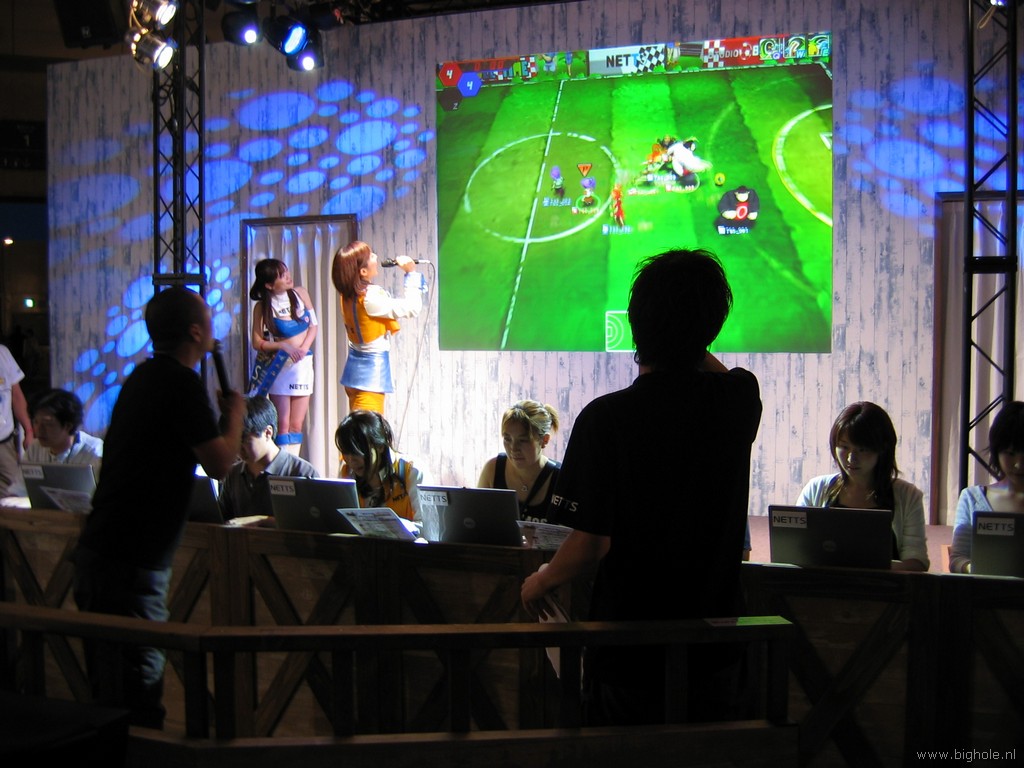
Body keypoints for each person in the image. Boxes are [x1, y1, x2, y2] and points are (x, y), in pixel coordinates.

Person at [521, 248, 762, 726]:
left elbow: (590, 543)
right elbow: (720, 371)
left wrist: (540, 581)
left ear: (635, 326)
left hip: (628, 653)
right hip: (715, 648)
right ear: (710, 330)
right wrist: (690, 338)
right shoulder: (738, 399)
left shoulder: (605, 418)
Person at [72, 286, 244, 729]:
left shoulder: (142, 377)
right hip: (133, 561)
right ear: (195, 332)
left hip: (103, 550)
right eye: (208, 319)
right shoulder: (181, 384)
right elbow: (220, 463)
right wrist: (235, 416)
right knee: (139, 690)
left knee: (109, 689)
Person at [796, 401, 929, 571]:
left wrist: (865, 567)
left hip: (885, 586)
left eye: (862, 449)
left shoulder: (908, 495)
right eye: (844, 447)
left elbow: (917, 562)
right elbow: (796, 549)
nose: (851, 458)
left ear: (883, 448)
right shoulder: (816, 488)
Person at [331, 240, 427, 415]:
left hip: (354, 374)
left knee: (361, 427)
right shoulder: (370, 297)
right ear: (363, 271)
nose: (376, 257)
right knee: (368, 430)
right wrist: (411, 273)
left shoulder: (348, 295)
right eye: (371, 256)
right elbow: (412, 308)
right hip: (369, 379)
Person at [249, 258, 318, 456]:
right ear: (269, 285)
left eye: (286, 271)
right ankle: (281, 465)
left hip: (302, 364)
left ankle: (292, 463)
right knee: (283, 423)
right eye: (281, 275)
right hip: (280, 365)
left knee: (297, 424)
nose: (288, 277)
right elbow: (257, 342)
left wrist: (303, 348)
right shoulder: (262, 307)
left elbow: (313, 325)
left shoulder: (301, 293)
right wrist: (282, 346)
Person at [949, 401, 1024, 574]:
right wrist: (977, 568)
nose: (1019, 465)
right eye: (1010, 453)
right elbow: (957, 559)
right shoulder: (972, 498)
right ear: (996, 452)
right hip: (987, 589)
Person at [218, 395, 320, 521]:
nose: (237, 449)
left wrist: (261, 521)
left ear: (268, 432)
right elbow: (222, 519)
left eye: (244, 441)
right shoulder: (233, 474)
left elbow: (314, 522)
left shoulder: (302, 472)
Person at [477, 399, 561, 523]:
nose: (514, 448)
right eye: (507, 439)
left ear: (544, 440)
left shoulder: (560, 479)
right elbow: (476, 519)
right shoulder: (493, 469)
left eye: (523, 440)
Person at [336, 410, 422, 522]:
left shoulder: (411, 471)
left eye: (357, 452)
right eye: (346, 452)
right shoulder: (347, 475)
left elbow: (426, 526)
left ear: (380, 446)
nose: (351, 460)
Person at [22, 388, 103, 475]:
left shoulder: (94, 451)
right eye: (35, 422)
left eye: (47, 424)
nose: (39, 429)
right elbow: (21, 482)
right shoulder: (35, 448)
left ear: (68, 425)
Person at [0, 342, 32, 497]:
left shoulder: (3, 353)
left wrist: (29, 431)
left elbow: (16, 396)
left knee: (12, 492)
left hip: (4, 441)